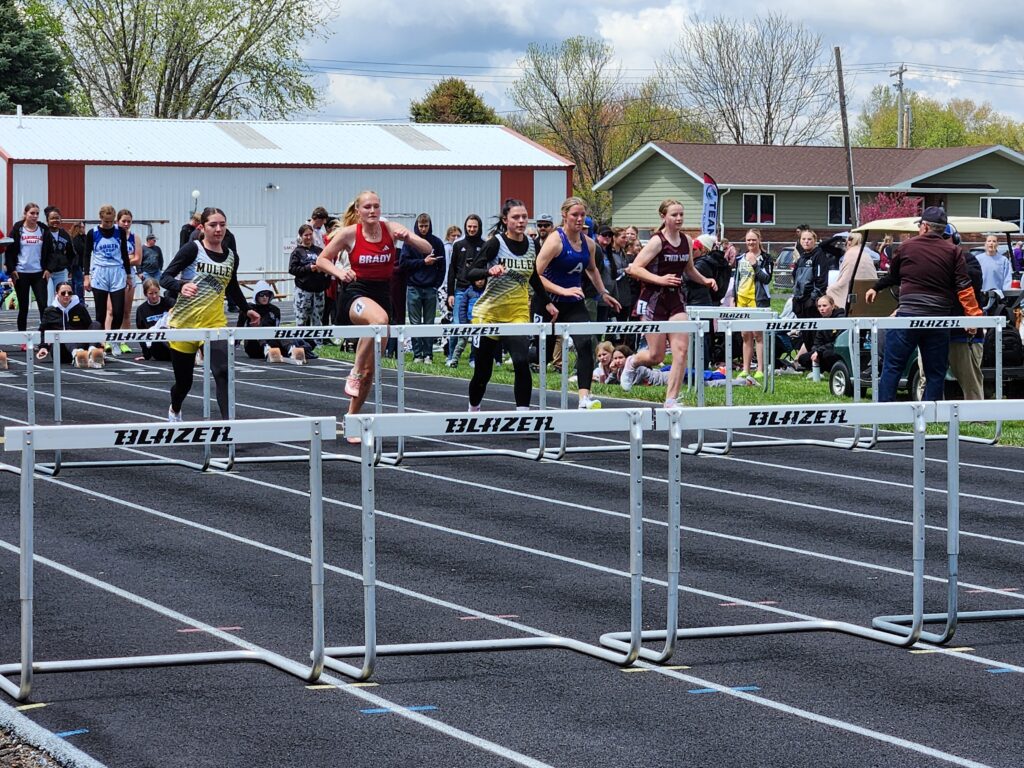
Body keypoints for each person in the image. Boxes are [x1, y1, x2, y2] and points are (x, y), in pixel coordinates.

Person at [316, 190, 431, 436]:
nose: (372, 211)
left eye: (376, 206)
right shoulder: (349, 234)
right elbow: (322, 260)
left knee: (372, 370)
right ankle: (354, 371)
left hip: (382, 295)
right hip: (355, 294)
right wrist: (340, 273)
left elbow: (427, 247)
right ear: (358, 211)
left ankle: (351, 419)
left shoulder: (390, 229)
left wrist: (408, 238)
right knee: (379, 321)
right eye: (367, 207)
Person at [866, 206, 983, 402]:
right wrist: (973, 317)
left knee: (892, 367)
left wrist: (875, 288)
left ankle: (884, 410)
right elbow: (964, 287)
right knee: (935, 372)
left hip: (908, 317)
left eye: (920, 225)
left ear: (925, 226)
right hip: (938, 320)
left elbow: (893, 276)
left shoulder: (906, 247)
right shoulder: (954, 252)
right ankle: (930, 412)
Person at [160, 207, 260, 422]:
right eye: (213, 225)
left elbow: (232, 286)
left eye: (222, 225)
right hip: (184, 324)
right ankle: (175, 408)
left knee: (223, 372)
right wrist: (181, 286)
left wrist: (247, 309)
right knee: (184, 383)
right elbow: (165, 277)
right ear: (202, 227)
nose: (218, 229)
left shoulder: (231, 256)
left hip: (215, 323)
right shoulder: (192, 249)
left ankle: (228, 425)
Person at [621, 199, 715, 408]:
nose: (679, 218)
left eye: (681, 214)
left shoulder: (687, 240)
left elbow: (689, 269)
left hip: (676, 300)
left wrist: (705, 280)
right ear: (663, 217)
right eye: (674, 215)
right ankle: (633, 361)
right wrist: (660, 279)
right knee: (656, 356)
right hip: (653, 300)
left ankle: (671, 399)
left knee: (681, 350)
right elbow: (635, 268)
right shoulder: (657, 241)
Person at [532, 197, 621, 410]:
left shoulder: (589, 244)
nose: (579, 219)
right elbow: (535, 275)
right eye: (575, 215)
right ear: (564, 216)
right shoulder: (555, 241)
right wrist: (562, 290)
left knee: (585, 344)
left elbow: (592, 269)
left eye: (582, 215)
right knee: (542, 354)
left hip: (573, 303)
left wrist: (603, 292)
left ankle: (584, 398)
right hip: (548, 302)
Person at [464, 198, 537, 412]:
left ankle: (522, 415)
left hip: (517, 313)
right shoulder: (495, 243)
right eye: (516, 217)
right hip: (489, 313)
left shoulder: (533, 244)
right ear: (505, 220)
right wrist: (489, 271)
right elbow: (470, 273)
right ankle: (473, 409)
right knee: (483, 372)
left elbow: (534, 277)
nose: (521, 221)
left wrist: (548, 302)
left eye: (524, 217)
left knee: (521, 362)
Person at [400, 213, 446, 364]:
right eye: (421, 226)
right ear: (417, 226)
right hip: (414, 287)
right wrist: (422, 262)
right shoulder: (410, 243)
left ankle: (428, 354)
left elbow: (442, 266)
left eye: (426, 226)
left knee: (429, 323)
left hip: (430, 287)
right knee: (415, 324)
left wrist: (436, 284)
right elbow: (403, 264)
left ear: (430, 226)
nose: (423, 229)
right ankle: (417, 354)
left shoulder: (437, 243)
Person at [84, 204, 131, 348]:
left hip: (117, 271)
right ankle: (100, 343)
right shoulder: (92, 233)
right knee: (101, 312)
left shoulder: (120, 232)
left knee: (118, 311)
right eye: (106, 221)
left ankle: (113, 338)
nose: (109, 224)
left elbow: (124, 253)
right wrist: (86, 276)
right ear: (100, 218)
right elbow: (86, 255)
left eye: (111, 221)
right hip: (100, 272)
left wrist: (129, 275)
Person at [4, 202, 52, 335]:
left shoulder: (43, 230)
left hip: (39, 273)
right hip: (21, 273)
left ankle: (44, 337)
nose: (35, 216)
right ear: (25, 214)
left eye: (37, 213)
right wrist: (12, 269)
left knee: (43, 306)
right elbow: (9, 251)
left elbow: (50, 252)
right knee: (23, 307)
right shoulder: (18, 229)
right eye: (32, 213)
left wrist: (48, 269)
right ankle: (22, 338)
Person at [35, 281, 105, 369]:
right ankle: (77, 355)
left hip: (81, 344)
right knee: (66, 333)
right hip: (61, 350)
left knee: (96, 324)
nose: (66, 295)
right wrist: (43, 347)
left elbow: (89, 326)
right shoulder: (49, 311)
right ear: (57, 294)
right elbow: (43, 331)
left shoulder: (80, 308)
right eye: (63, 293)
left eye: (69, 293)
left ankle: (92, 352)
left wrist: (97, 343)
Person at [732, 228, 773, 379]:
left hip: (757, 300)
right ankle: (746, 368)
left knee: (758, 334)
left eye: (753, 240)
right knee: (745, 335)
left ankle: (760, 368)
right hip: (742, 299)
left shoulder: (766, 258)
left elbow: (766, 279)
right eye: (748, 240)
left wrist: (755, 264)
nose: (751, 242)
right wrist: (734, 297)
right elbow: (737, 279)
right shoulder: (740, 258)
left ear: (759, 240)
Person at [446, 214, 485, 367]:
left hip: (478, 291)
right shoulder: (458, 245)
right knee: (457, 324)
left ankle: (474, 358)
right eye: (469, 226)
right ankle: (451, 357)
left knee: (477, 325)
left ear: (479, 227)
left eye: (475, 226)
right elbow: (452, 271)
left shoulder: (484, 245)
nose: (472, 229)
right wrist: (450, 293)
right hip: (461, 290)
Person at [240, 280, 307, 364]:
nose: (265, 297)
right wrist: (235, 343)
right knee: (256, 326)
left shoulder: (275, 310)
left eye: (267, 294)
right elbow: (240, 325)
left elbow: (276, 328)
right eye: (262, 294)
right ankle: (266, 349)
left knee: (281, 331)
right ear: (256, 295)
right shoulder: (249, 309)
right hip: (253, 345)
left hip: (272, 343)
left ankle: (292, 349)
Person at [948, 246, 985, 400]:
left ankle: (977, 413)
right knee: (927, 380)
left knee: (971, 382)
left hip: (965, 335)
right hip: (934, 332)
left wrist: (947, 269)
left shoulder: (968, 259)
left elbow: (974, 280)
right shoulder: (929, 260)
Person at [790, 228, 830, 356]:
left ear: (814, 241)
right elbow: (796, 278)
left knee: (814, 334)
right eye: (804, 239)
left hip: (811, 303)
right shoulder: (801, 258)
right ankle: (807, 360)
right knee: (805, 334)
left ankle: (816, 360)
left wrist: (813, 299)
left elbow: (821, 281)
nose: (806, 241)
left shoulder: (819, 256)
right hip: (800, 302)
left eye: (809, 239)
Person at [288, 223, 328, 349]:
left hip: (318, 290)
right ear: (301, 236)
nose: (309, 237)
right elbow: (292, 269)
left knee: (317, 317)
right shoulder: (297, 252)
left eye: (310, 234)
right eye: (306, 235)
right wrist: (308, 268)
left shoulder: (319, 251)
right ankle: (299, 342)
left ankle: (318, 343)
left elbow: (327, 265)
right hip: (303, 290)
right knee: (301, 317)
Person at [826, 231, 878, 312]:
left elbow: (845, 276)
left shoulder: (850, 253)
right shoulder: (865, 253)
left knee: (831, 290)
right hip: (869, 285)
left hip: (853, 286)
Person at [795, 295, 846, 374]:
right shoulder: (821, 321)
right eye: (819, 306)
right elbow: (817, 341)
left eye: (824, 306)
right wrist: (815, 351)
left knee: (827, 354)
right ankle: (819, 369)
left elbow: (838, 342)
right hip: (823, 350)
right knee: (803, 358)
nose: (821, 309)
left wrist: (819, 352)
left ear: (832, 306)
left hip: (837, 349)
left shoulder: (841, 319)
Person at [135, 278, 174, 361]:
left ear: (159, 290)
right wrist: (146, 355)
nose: (154, 296)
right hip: (157, 347)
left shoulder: (169, 302)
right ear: (145, 294)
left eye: (156, 292)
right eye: (150, 293)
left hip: (173, 342)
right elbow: (141, 333)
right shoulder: (141, 310)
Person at [43, 207, 72, 303]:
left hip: (61, 271)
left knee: (62, 298)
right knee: (49, 299)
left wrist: (69, 268)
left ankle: (61, 314)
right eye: (52, 218)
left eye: (57, 218)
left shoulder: (65, 234)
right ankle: (49, 313)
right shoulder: (44, 234)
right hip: (47, 272)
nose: (55, 220)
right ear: (47, 220)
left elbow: (71, 253)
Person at [68, 221, 86, 302]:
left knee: (76, 282)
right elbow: (81, 249)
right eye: (81, 227)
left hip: (79, 263)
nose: (83, 229)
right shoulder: (75, 238)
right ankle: (79, 301)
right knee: (79, 283)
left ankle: (76, 300)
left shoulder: (82, 237)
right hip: (76, 263)